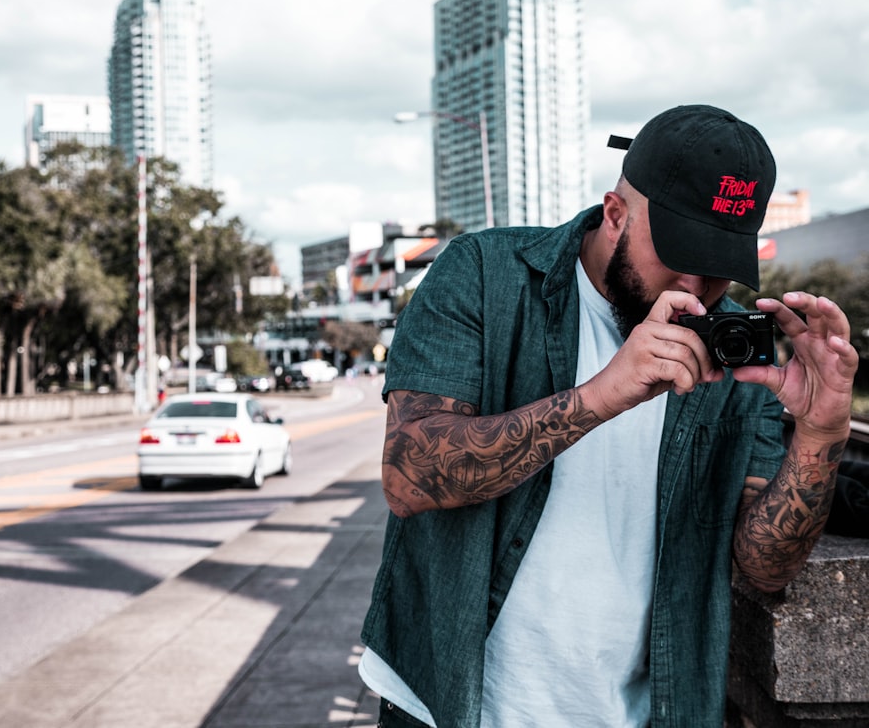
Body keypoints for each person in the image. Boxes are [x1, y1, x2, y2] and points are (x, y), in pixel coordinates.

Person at [359, 104, 858, 728]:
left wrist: (821, 430)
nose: (695, 283)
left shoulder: (735, 350)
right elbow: (408, 476)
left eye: (719, 261)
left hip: (641, 712)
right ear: (615, 213)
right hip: (451, 701)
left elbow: (764, 567)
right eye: (678, 251)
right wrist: (603, 394)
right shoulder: (483, 274)